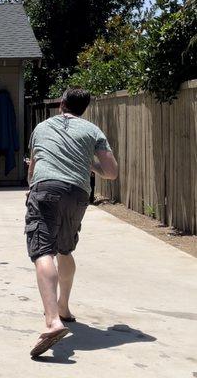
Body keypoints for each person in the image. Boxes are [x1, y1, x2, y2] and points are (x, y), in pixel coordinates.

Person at [25, 88, 118, 357]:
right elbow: (111, 173)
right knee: (65, 249)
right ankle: (64, 307)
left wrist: (32, 185)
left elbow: (33, 166)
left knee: (43, 251)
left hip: (46, 189)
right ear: (84, 109)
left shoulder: (41, 127)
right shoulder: (93, 131)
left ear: (61, 104)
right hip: (77, 194)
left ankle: (53, 321)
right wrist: (90, 166)